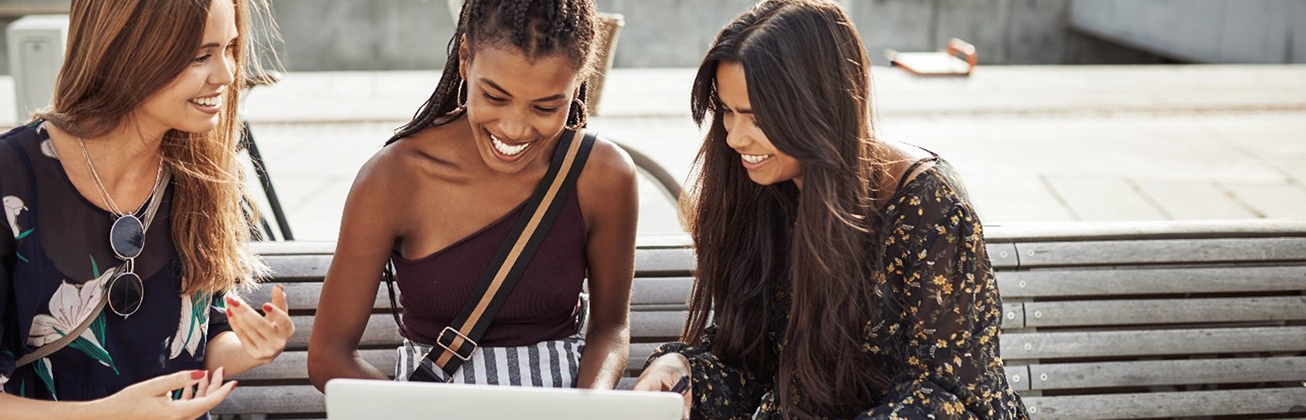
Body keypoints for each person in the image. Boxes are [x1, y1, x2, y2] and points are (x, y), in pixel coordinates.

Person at [633, 1, 1029, 419]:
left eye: (756, 118)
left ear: (817, 105)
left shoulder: (928, 207)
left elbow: (951, 394)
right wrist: (685, 370)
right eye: (728, 113)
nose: (734, 138)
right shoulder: (763, 189)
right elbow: (755, 365)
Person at [308, 0, 638, 390]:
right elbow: (328, 358)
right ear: (465, 58)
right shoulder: (394, 178)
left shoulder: (603, 175)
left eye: (546, 107)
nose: (514, 128)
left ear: (580, 81)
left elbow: (611, 328)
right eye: (495, 97)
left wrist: (588, 409)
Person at [0, 1, 294, 419]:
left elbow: (200, 341)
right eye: (200, 56)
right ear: (128, 52)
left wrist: (249, 348)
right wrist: (112, 413)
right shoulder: (12, 178)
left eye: (229, 49)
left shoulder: (203, 175)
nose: (227, 74)